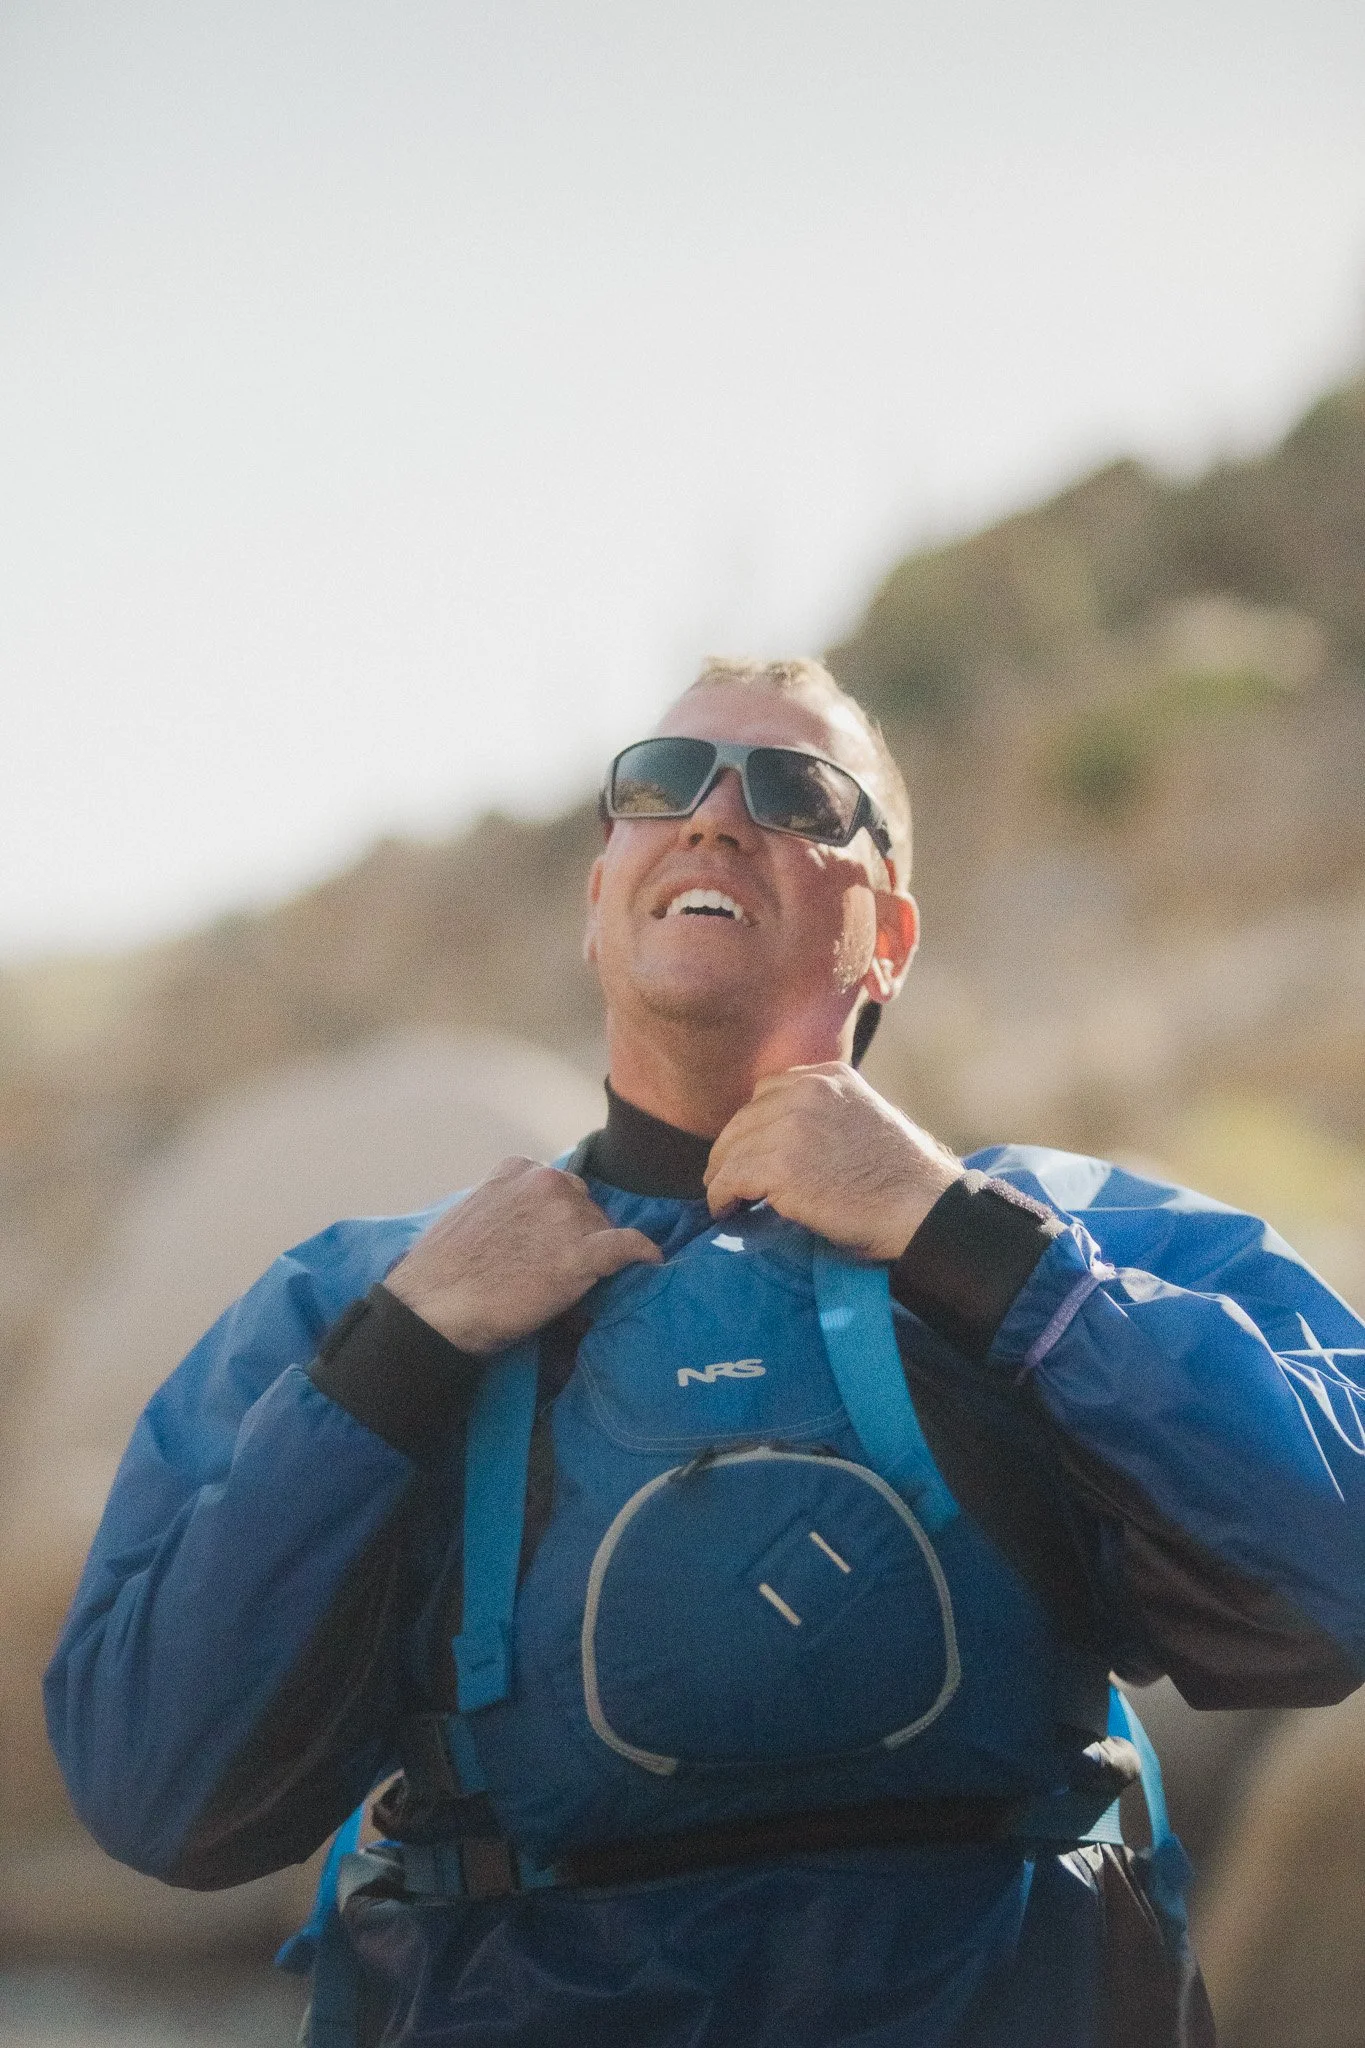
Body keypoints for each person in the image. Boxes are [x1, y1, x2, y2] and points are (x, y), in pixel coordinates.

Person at [46, 658, 1365, 2048]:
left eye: (798, 792)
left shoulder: (1076, 1237)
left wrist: (960, 1240)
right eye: (660, 781)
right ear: (598, 897)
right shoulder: (365, 1300)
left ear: (892, 938)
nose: (715, 817)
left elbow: (1341, 1557)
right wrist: (403, 1354)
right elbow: (150, 1786)